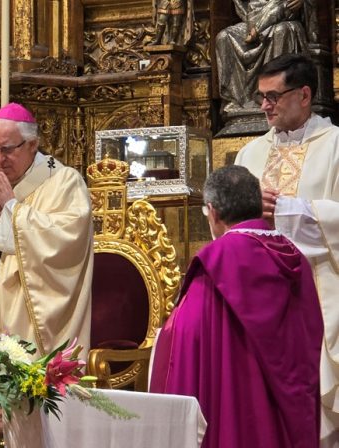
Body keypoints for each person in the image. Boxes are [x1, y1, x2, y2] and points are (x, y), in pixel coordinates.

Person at [150, 165, 322, 448]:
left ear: (213, 212)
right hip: (288, 408)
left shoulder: (216, 261)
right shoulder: (296, 257)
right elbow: (311, 333)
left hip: (236, 405)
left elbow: (186, 337)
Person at [234, 52, 339, 446]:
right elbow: (226, 229)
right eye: (261, 96)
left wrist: (288, 210)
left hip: (319, 299)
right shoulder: (249, 155)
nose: (264, 105)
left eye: (273, 96)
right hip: (260, 303)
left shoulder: (336, 147)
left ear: (305, 95)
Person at [0, 103, 93, 356]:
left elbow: (67, 240)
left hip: (26, 318)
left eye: (7, 149)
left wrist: (13, 209)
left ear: (33, 144)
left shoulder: (64, 181)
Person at [215, 0, 317, 112]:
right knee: (224, 37)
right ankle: (237, 100)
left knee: (281, 31)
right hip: (254, 19)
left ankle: (274, 96)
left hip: (284, 19)